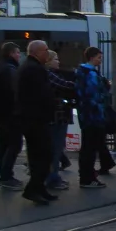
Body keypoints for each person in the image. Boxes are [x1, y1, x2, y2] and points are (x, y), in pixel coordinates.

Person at [16, 40, 57, 204]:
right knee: (43, 155)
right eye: (46, 50)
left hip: (32, 119)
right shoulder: (34, 69)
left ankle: (39, 188)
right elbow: (42, 94)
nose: (48, 53)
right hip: (36, 120)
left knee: (38, 155)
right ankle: (33, 189)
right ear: (37, 52)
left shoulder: (28, 67)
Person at [75, 47, 111, 188]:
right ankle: (87, 178)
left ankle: (87, 175)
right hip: (94, 116)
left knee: (87, 148)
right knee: (90, 149)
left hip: (86, 116)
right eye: (98, 57)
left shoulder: (82, 72)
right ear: (91, 57)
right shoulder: (91, 74)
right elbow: (94, 95)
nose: (100, 60)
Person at [0, 42, 24, 190]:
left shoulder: (0, 67)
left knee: (4, 144)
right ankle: (7, 176)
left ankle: (4, 175)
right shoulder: (10, 70)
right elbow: (14, 92)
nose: (19, 56)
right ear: (11, 53)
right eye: (18, 53)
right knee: (14, 144)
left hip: (1, 112)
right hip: (11, 113)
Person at [44, 50, 75, 191]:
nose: (58, 61)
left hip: (59, 115)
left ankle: (54, 176)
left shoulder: (53, 73)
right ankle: (52, 178)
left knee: (56, 149)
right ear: (48, 60)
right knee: (55, 149)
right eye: (55, 59)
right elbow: (67, 86)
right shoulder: (49, 74)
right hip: (57, 115)